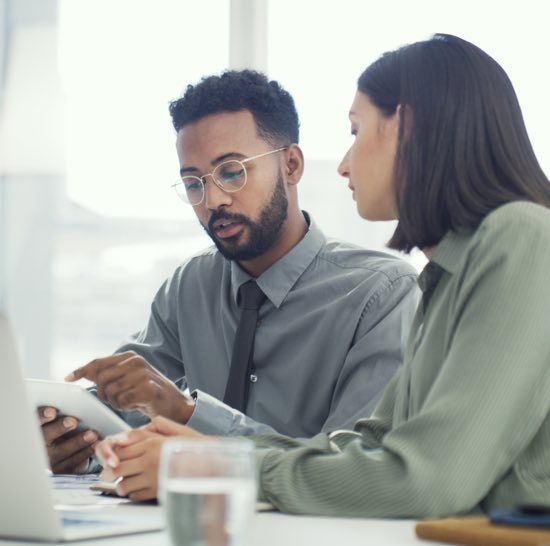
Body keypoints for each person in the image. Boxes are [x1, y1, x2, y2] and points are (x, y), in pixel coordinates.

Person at [94, 33, 550, 516]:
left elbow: (427, 480)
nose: (346, 164)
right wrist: (203, 455)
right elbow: (369, 448)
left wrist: (211, 466)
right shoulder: (447, 275)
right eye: (193, 183)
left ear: (406, 129)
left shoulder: (520, 237)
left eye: (356, 131)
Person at [41, 70, 419, 475]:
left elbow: (354, 466)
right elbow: (123, 411)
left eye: (232, 172)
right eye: (193, 183)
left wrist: (187, 412)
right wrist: (76, 443)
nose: (213, 200)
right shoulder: (190, 287)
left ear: (291, 165)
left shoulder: (382, 294)